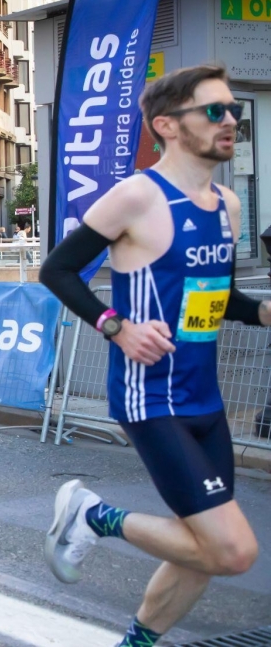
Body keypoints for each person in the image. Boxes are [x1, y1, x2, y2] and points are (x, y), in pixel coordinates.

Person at [39, 65, 269, 647]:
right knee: (233, 549)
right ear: (166, 125)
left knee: (203, 549)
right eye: (214, 111)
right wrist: (115, 326)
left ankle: (137, 642)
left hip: (205, 398)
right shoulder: (138, 195)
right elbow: (57, 269)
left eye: (233, 110)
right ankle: (95, 516)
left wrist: (261, 313)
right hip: (153, 397)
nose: (230, 122)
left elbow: (212, 298)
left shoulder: (227, 205)